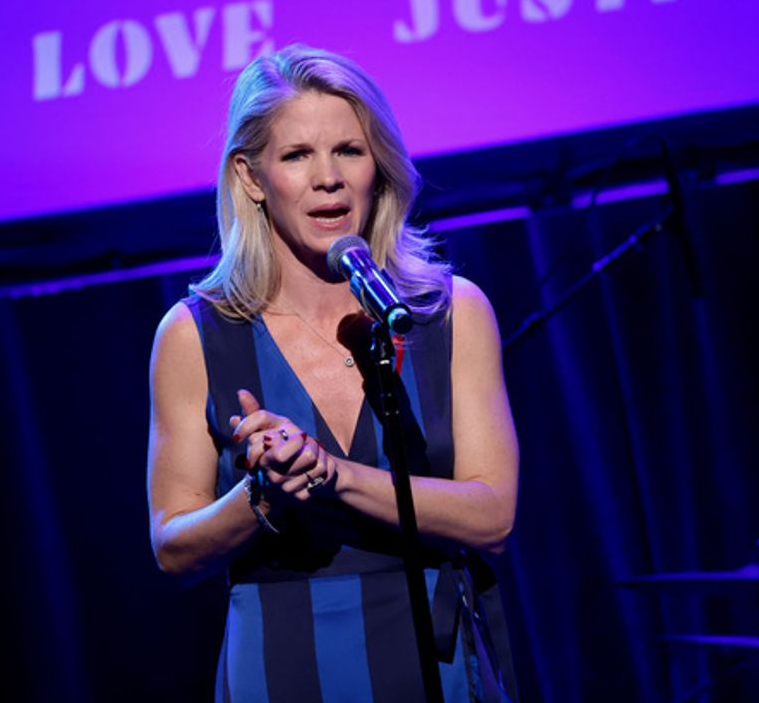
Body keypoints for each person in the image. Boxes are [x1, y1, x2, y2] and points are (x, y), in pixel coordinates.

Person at [147, 44, 520, 702]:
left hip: (435, 661)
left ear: (379, 164)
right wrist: (262, 495)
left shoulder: (449, 312)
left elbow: (492, 514)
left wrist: (333, 474)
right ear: (252, 176)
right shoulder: (194, 334)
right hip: (282, 663)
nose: (329, 178)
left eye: (349, 149)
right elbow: (173, 544)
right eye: (297, 155)